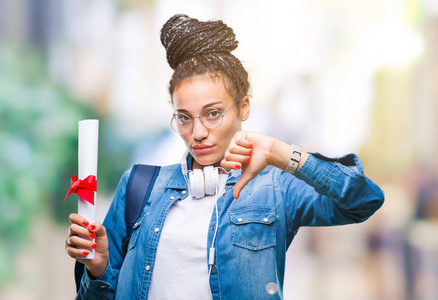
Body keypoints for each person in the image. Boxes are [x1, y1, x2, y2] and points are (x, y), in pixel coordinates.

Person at [65, 14, 385, 300]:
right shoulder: (139, 186)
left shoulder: (274, 188)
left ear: (244, 107)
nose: (198, 132)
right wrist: (99, 268)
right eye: (185, 117)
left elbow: (363, 201)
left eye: (213, 113)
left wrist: (281, 152)